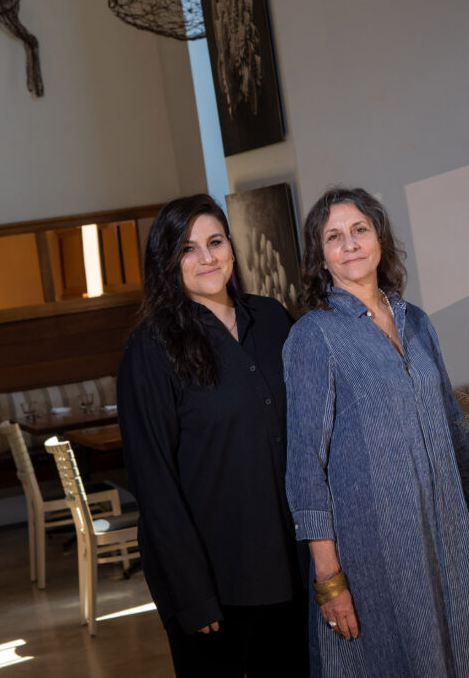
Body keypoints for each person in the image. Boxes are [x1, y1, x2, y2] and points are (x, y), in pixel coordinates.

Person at [283, 187, 469, 677]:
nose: (351, 244)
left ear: (380, 238)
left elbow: (454, 430)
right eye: (334, 237)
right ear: (320, 257)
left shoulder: (417, 322)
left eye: (360, 229)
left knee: (463, 657)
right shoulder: (314, 336)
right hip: (373, 546)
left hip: (447, 536)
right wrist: (329, 580)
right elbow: (303, 465)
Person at [117, 194, 308, 677]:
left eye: (215, 241)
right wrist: (192, 596)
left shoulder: (271, 320)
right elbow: (154, 482)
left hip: (293, 567)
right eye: (188, 248)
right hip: (217, 586)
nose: (207, 258)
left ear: (231, 248)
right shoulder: (150, 349)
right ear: (167, 262)